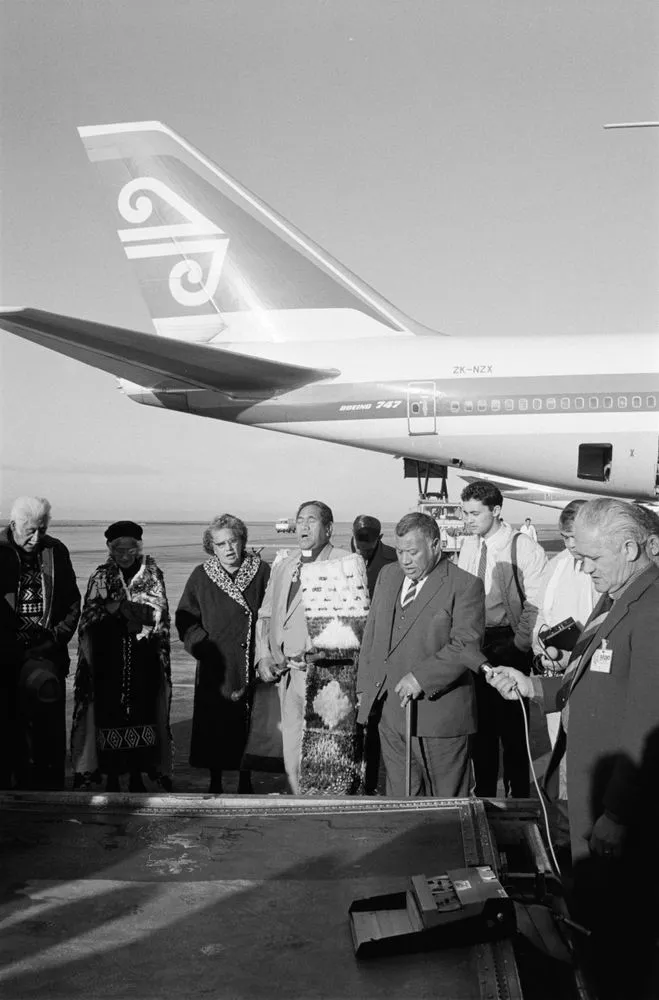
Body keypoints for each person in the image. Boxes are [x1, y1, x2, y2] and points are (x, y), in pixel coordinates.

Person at [487, 499, 659, 1000]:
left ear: (629, 548)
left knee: (619, 939)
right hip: (590, 799)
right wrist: (533, 687)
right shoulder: (618, 598)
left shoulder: (650, 611)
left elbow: (647, 722)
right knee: (596, 928)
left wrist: (617, 812)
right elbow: (590, 680)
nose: (581, 567)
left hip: (616, 810)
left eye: (590, 558)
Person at [356, 512, 485, 797]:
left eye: (413, 552)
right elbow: (373, 634)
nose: (405, 560)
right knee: (402, 801)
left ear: (436, 545)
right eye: (400, 551)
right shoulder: (388, 576)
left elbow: (466, 644)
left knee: (446, 806)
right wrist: (365, 687)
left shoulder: (465, 585)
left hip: (440, 720)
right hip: (391, 715)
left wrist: (421, 678)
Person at [458, 481, 546, 796]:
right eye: (464, 512)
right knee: (479, 729)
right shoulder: (469, 546)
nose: (467, 519)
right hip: (476, 642)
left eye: (474, 513)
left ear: (495, 511)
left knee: (512, 731)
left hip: (508, 642)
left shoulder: (523, 547)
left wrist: (519, 645)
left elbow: (536, 603)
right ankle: (482, 793)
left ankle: (518, 798)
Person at [256, 500, 350, 794]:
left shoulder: (344, 562)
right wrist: (264, 655)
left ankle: (329, 805)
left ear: (329, 528)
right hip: (287, 675)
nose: (304, 526)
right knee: (293, 745)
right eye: (300, 520)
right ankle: (298, 801)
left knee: (327, 749)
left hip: (326, 675)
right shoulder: (285, 564)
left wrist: (325, 651)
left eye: (312, 520)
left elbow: (355, 621)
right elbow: (267, 613)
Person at [71, 521, 172, 792]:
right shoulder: (100, 576)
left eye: (130, 549)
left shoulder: (152, 574)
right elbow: (88, 616)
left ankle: (139, 773)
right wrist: (116, 610)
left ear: (138, 548)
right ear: (110, 549)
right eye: (119, 549)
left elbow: (160, 613)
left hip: (144, 658)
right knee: (109, 713)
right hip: (108, 658)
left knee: (143, 712)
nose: (125, 554)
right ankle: (112, 774)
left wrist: (133, 613)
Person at [176, 514, 270, 794]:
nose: (229, 548)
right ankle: (215, 779)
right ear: (212, 548)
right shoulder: (201, 576)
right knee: (214, 723)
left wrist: (268, 651)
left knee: (248, 722)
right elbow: (185, 619)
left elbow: (274, 612)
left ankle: (246, 778)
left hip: (250, 660)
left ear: (243, 541)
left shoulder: (262, 571)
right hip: (216, 663)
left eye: (233, 541)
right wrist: (202, 646)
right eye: (221, 544)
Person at [0, 496, 80, 790]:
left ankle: (48, 794)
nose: (36, 538)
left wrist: (56, 638)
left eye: (42, 530)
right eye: (30, 530)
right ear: (13, 525)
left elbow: (72, 602)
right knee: (8, 727)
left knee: (47, 730)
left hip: (47, 652)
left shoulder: (56, 550)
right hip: (5, 657)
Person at [532, 500, 596, 750]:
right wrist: (542, 655)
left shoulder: (610, 569)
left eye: (574, 537)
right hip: (557, 674)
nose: (569, 545)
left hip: (592, 677)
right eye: (564, 537)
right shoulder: (556, 564)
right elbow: (541, 618)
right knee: (560, 752)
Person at [350, 515, 397, 598]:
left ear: (379, 537)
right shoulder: (340, 557)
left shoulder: (396, 560)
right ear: (352, 532)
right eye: (359, 548)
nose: (362, 554)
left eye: (368, 550)